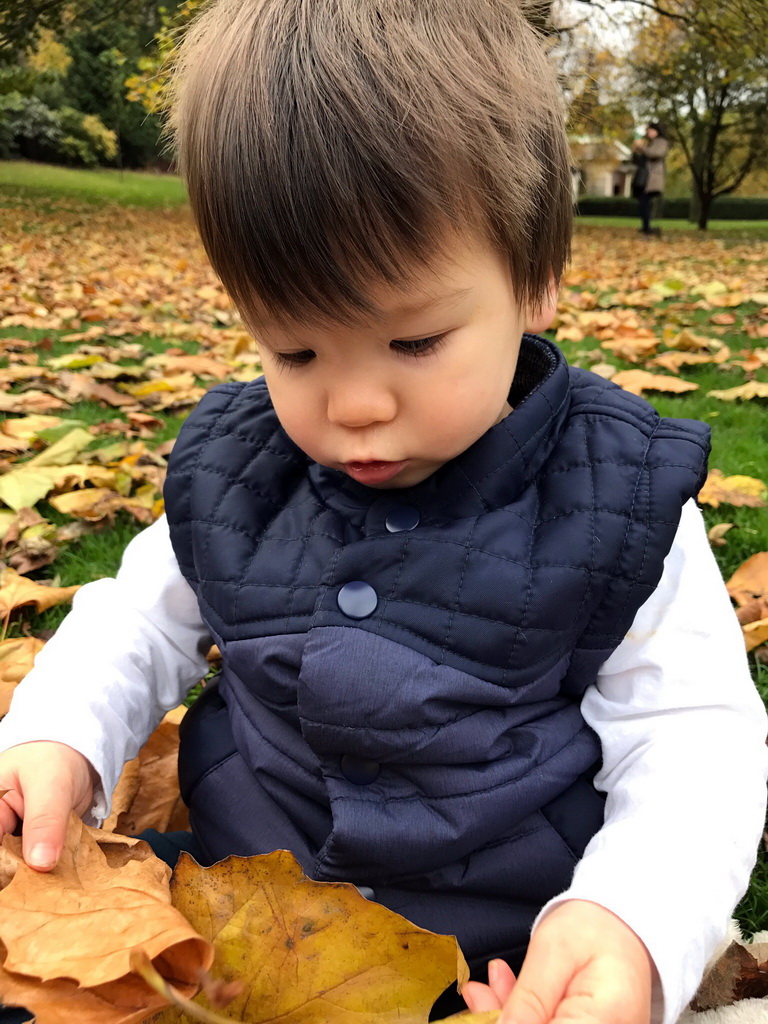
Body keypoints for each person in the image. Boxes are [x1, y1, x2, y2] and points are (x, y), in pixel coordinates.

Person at [0, 3, 766, 1023]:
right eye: (294, 351)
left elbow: (692, 740)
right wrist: (60, 739)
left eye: (413, 343)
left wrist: (629, 920)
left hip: (508, 957)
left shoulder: (615, 496)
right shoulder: (239, 470)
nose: (354, 405)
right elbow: (136, 619)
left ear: (534, 279)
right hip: (241, 918)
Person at [632, 123, 669, 237]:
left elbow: (656, 154)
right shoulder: (649, 143)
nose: (649, 133)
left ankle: (647, 229)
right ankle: (646, 228)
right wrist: (635, 150)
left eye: (650, 130)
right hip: (644, 178)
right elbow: (639, 160)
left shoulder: (662, 142)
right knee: (643, 203)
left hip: (652, 179)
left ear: (656, 131)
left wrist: (642, 148)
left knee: (645, 202)